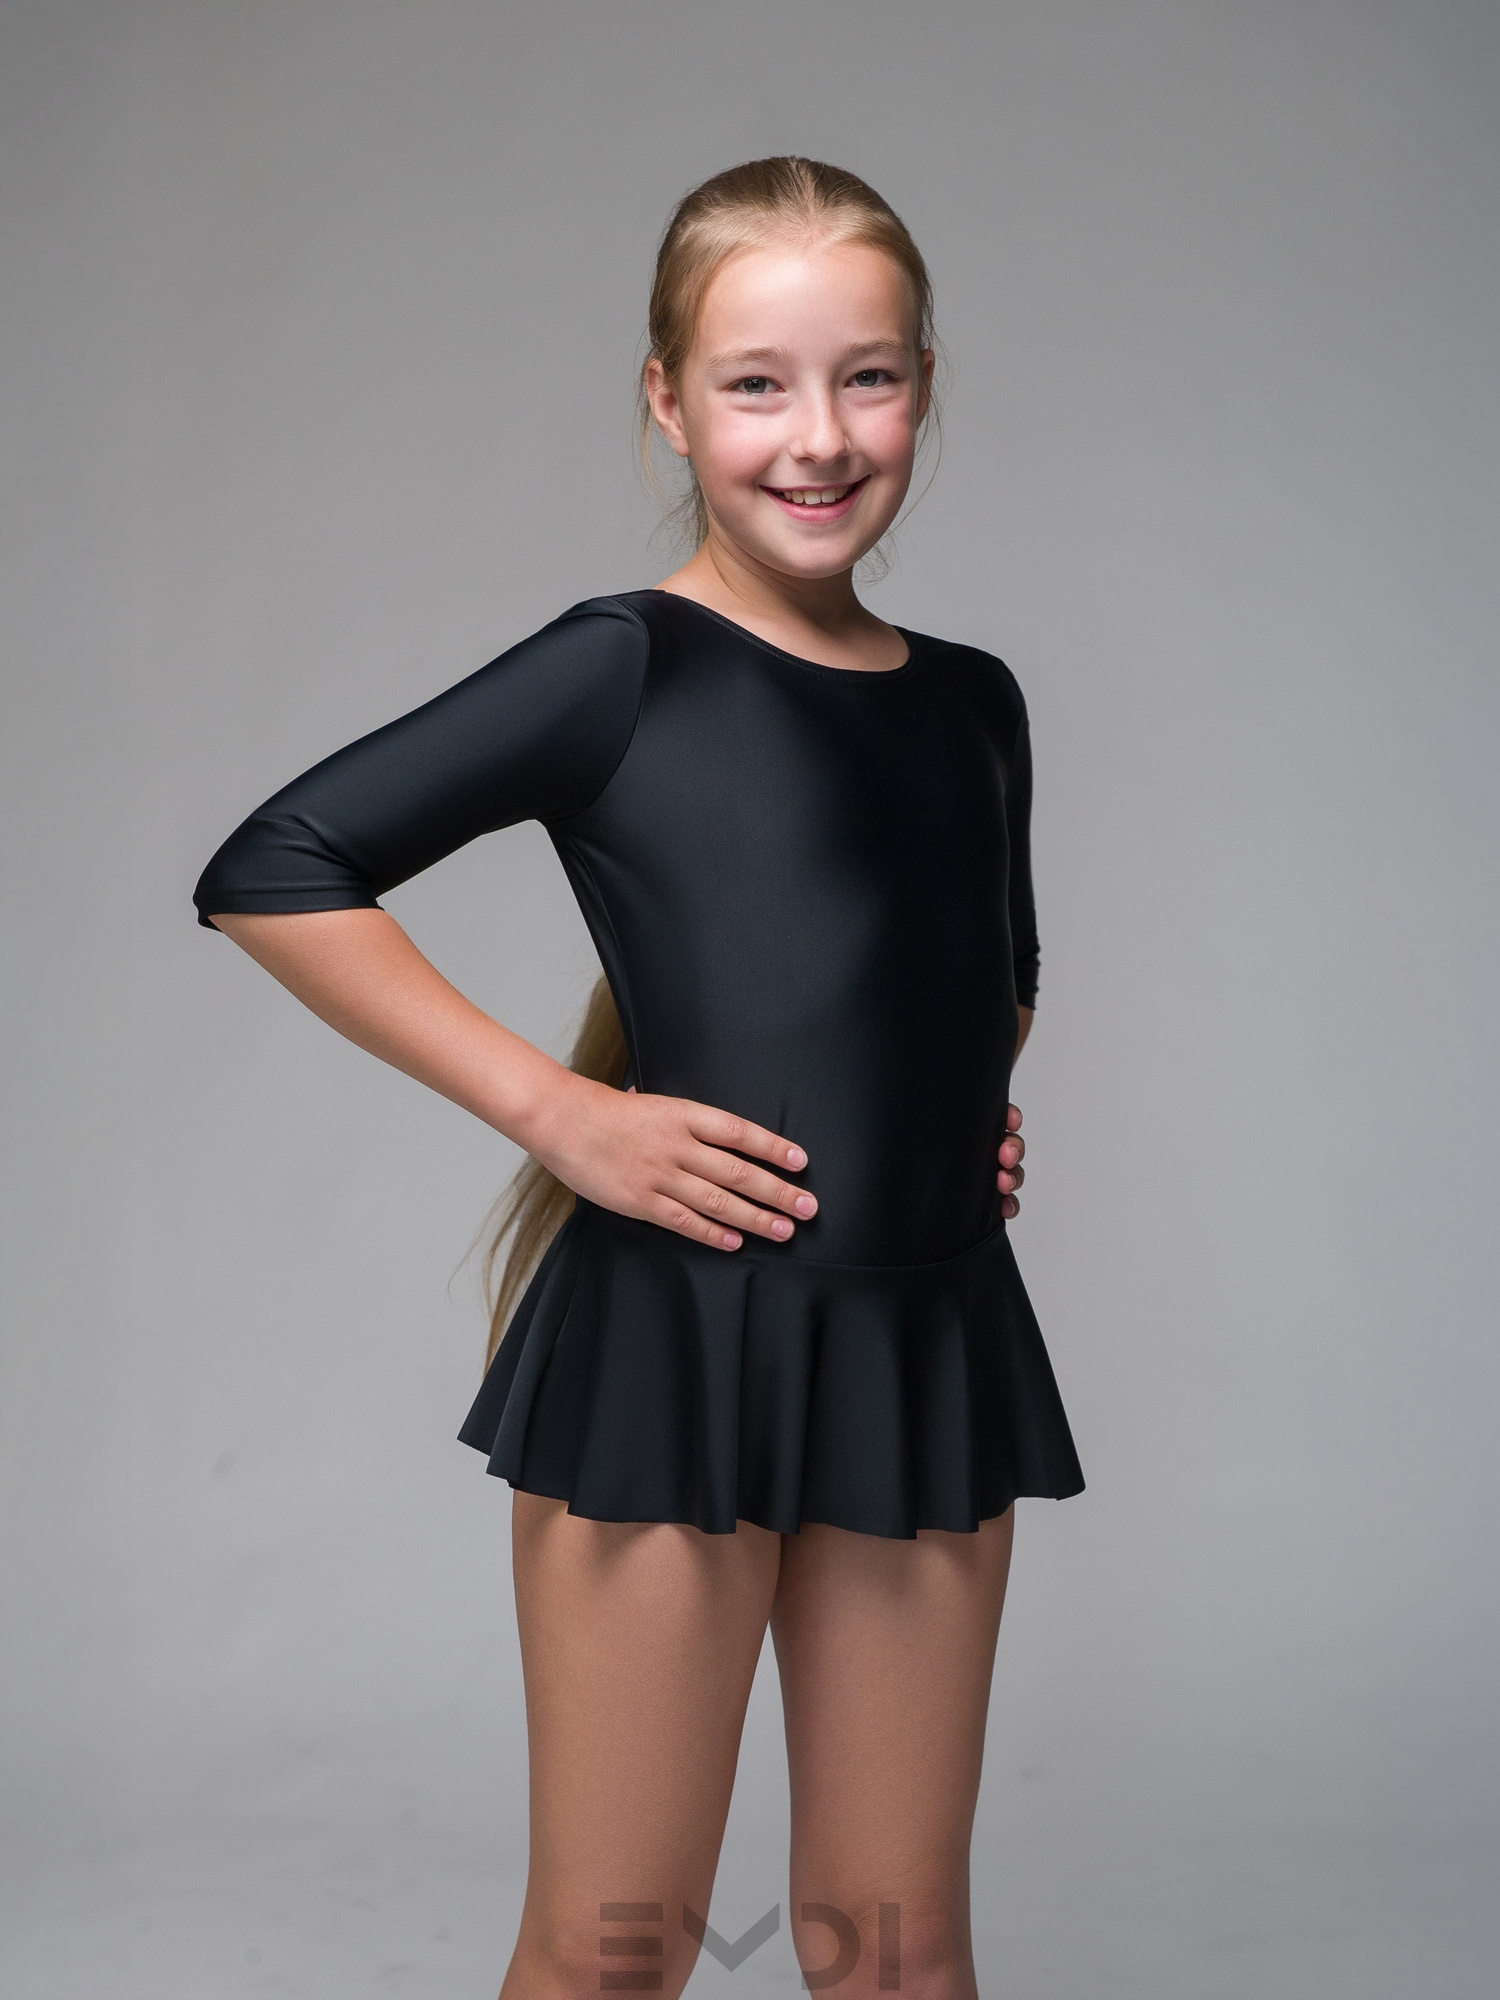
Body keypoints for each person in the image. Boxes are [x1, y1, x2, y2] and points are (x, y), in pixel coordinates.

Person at [194, 156, 1084, 2000]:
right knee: (618, 1950)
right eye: (758, 384)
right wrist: (564, 1115)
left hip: (922, 1347)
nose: (818, 435)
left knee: (898, 1950)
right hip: (677, 1352)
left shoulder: (976, 698)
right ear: (668, 402)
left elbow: (995, 967)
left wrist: (951, 1122)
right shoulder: (627, 664)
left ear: (925, 387)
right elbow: (275, 866)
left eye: (868, 376)